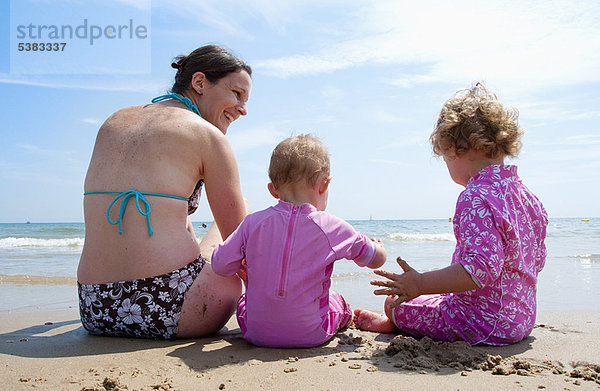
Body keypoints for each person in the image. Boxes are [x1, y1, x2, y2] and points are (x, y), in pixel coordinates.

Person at [77, 45, 252, 340]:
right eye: (237, 94)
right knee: (233, 249)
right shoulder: (206, 136)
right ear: (199, 83)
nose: (243, 108)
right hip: (171, 311)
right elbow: (242, 244)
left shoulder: (113, 121)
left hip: (95, 309)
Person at [354, 83, 548, 346]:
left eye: (445, 158)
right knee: (437, 300)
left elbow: (480, 269)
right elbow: (535, 258)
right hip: (522, 318)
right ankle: (406, 318)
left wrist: (419, 284)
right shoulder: (526, 196)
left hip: (482, 322)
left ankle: (393, 323)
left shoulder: (474, 197)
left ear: (458, 151)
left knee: (394, 303)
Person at [211, 134, 387, 348]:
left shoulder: (252, 223)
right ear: (324, 185)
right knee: (336, 300)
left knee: (244, 303)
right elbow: (375, 259)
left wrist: (239, 262)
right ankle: (349, 315)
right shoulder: (332, 226)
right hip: (312, 334)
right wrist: (379, 247)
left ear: (272, 189)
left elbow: (220, 265)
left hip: (255, 332)